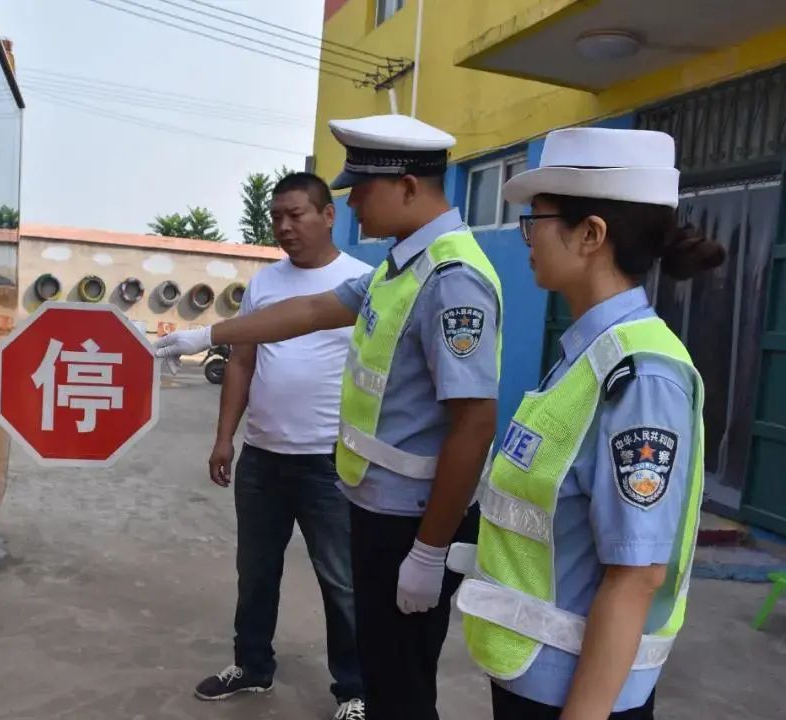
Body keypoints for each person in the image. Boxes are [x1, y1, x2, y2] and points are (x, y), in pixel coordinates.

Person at [158, 114, 502, 720]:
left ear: (408, 187)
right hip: (374, 503)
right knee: (385, 666)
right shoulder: (400, 268)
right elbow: (309, 311)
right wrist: (199, 335)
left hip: (413, 520)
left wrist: (429, 549)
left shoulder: (453, 278)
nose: (355, 207)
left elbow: (473, 424)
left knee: (401, 687)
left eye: (361, 191)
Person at [453, 127, 725, 720]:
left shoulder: (641, 374)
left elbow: (637, 577)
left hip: (575, 694)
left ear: (590, 235)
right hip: (534, 671)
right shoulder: (588, 352)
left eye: (537, 221)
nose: (527, 238)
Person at [192, 172, 371, 720]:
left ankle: (355, 689)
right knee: (257, 570)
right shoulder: (264, 284)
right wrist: (226, 437)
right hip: (264, 458)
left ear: (327, 215)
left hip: (330, 462)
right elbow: (242, 359)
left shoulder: (362, 283)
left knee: (342, 580)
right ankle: (252, 667)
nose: (285, 227)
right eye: (276, 217)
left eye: (296, 214)